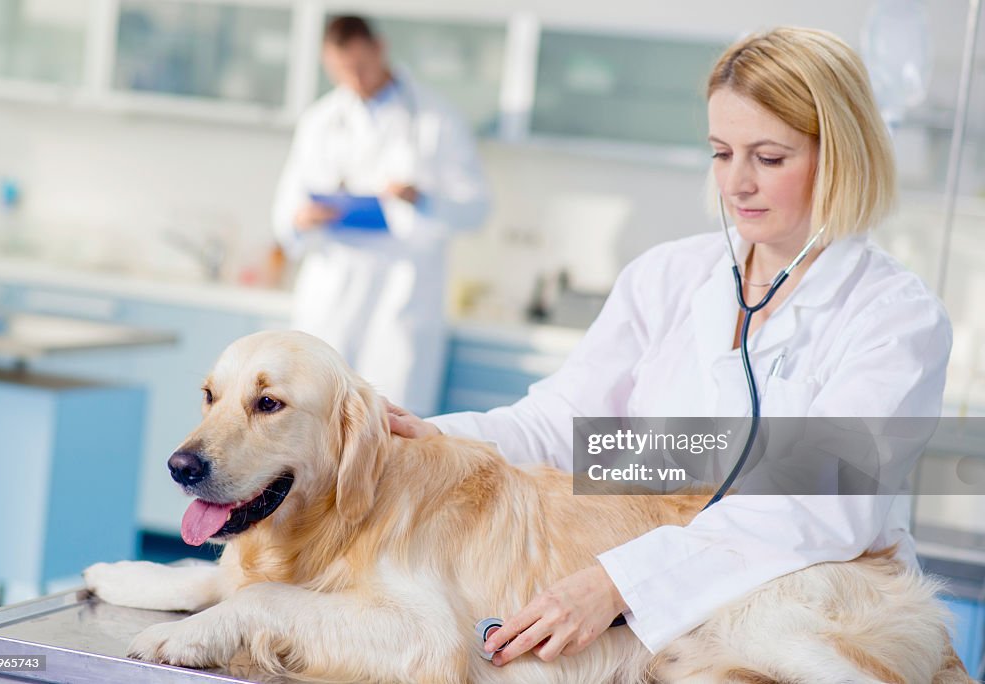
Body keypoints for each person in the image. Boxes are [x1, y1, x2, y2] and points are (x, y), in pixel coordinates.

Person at [388, 27, 952, 665]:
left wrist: (619, 582)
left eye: (768, 158)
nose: (736, 183)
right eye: (721, 152)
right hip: (654, 614)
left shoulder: (894, 319)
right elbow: (562, 427)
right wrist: (435, 439)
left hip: (811, 617)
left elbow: (815, 506)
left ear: (841, 156)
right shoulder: (667, 278)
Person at [272, 15, 490, 417]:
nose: (352, 79)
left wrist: (420, 198)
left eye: (360, 66)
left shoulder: (436, 119)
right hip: (332, 288)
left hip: (401, 292)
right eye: (340, 71)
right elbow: (285, 215)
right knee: (313, 420)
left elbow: (476, 209)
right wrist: (303, 218)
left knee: (394, 428)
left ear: (380, 49)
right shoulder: (320, 120)